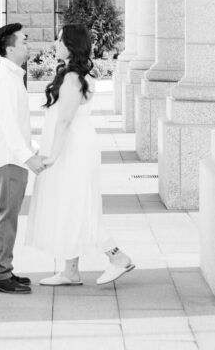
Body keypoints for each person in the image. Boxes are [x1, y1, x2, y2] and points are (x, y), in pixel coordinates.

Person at [24, 24, 135, 286]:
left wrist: (52, 156)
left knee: (78, 205)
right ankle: (70, 270)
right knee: (70, 204)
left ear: (71, 45)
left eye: (60, 40)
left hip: (72, 148)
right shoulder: (73, 75)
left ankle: (118, 257)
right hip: (73, 144)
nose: (56, 44)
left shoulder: (73, 78)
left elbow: (65, 120)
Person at [0, 22, 46, 294]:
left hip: (12, 156)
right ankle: (0, 273)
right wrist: (28, 157)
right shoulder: (5, 79)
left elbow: (17, 124)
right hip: (9, 158)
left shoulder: (10, 76)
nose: (27, 45)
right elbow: (9, 125)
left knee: (3, 212)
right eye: (23, 41)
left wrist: (33, 149)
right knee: (7, 215)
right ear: (10, 49)